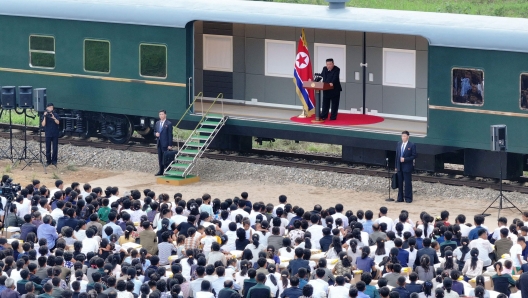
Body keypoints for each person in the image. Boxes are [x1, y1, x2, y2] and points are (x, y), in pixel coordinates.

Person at [395, 131, 416, 203]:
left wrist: (405, 159)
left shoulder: (412, 145)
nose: (403, 137)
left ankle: (408, 198)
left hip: (407, 166)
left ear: (408, 137)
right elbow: (397, 155)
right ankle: (400, 198)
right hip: (400, 166)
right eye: (402, 136)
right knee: (400, 182)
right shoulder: (399, 144)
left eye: (404, 136)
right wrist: (396, 166)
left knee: (407, 183)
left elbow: (414, 155)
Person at [154, 110, 173, 176]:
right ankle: (161, 171)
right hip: (159, 143)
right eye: (160, 114)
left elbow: (170, 135)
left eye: (162, 114)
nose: (161, 116)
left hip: (165, 143)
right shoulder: (157, 123)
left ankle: (168, 171)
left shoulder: (169, 123)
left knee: (166, 158)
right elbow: (155, 131)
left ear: (165, 115)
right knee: (160, 158)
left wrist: (170, 144)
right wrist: (155, 134)